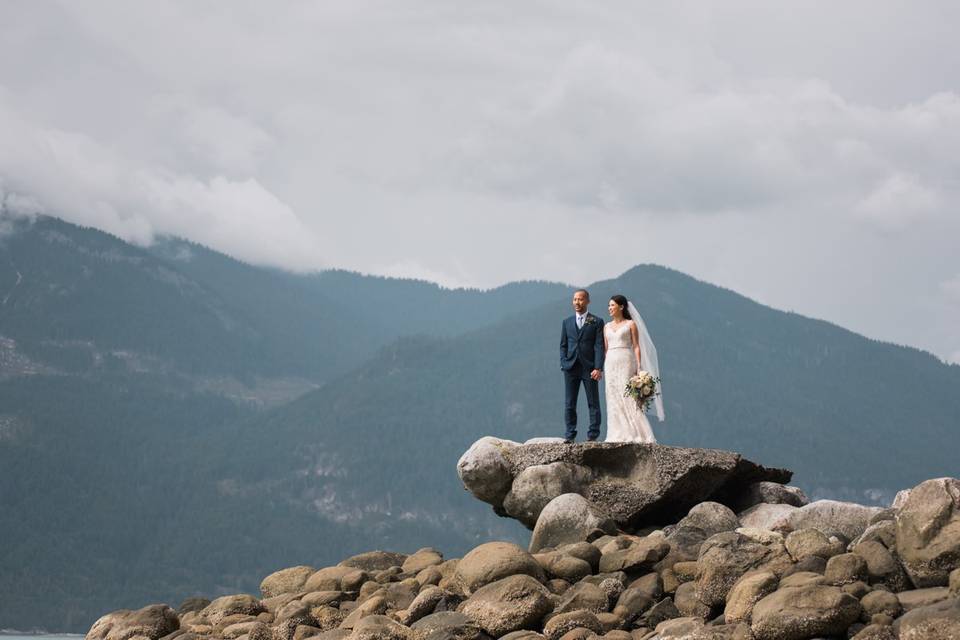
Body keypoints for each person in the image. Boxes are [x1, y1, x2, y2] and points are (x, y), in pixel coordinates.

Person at [603, 294, 664, 443]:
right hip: (611, 362)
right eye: (609, 305)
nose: (609, 308)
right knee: (612, 396)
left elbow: (636, 346)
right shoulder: (606, 326)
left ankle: (638, 433)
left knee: (627, 395)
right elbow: (605, 348)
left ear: (621, 307)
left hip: (626, 359)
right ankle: (617, 433)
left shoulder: (630, 324)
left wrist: (639, 365)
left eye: (612, 305)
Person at [559, 289, 605, 443]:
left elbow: (599, 346)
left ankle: (593, 435)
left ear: (587, 301)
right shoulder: (566, 322)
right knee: (569, 403)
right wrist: (564, 362)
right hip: (570, 368)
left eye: (580, 299)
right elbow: (563, 345)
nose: (577, 302)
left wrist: (598, 367)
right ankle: (570, 435)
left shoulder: (596, 321)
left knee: (593, 402)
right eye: (574, 299)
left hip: (589, 368)